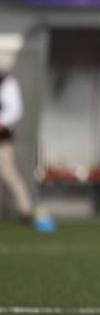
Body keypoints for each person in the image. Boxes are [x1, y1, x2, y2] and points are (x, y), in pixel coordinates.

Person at [0, 72, 32, 222]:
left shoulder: (6, 82)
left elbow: (15, 110)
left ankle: (25, 209)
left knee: (8, 173)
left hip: (2, 137)